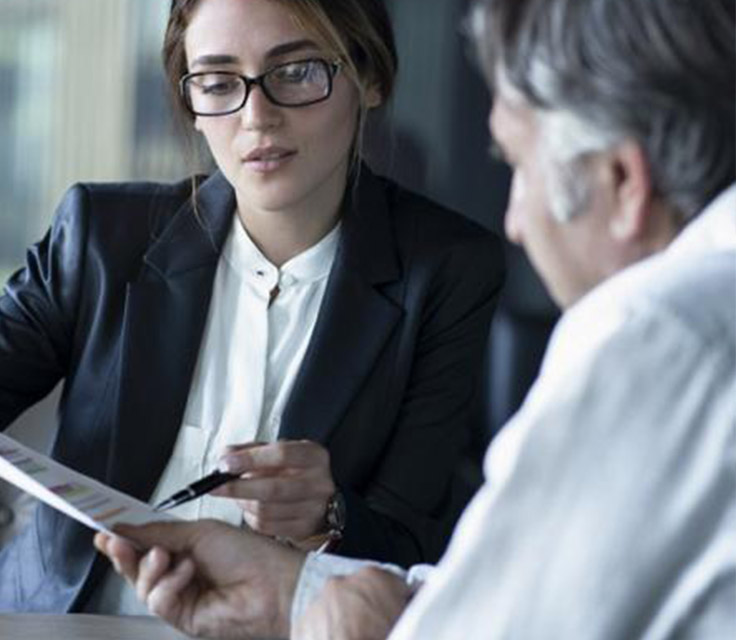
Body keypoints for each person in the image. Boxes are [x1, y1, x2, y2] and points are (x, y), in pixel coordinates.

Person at [0, 0, 504, 615]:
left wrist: (330, 517)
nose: (257, 118)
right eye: (218, 82)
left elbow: (416, 549)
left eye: (295, 72)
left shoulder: (445, 270)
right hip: (54, 629)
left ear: (368, 77)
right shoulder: (101, 237)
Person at [96, 0, 736, 637]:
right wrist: (293, 593)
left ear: (624, 182)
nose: (514, 219)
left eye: (517, 165)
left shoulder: (654, 333)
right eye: (217, 82)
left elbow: (496, 626)